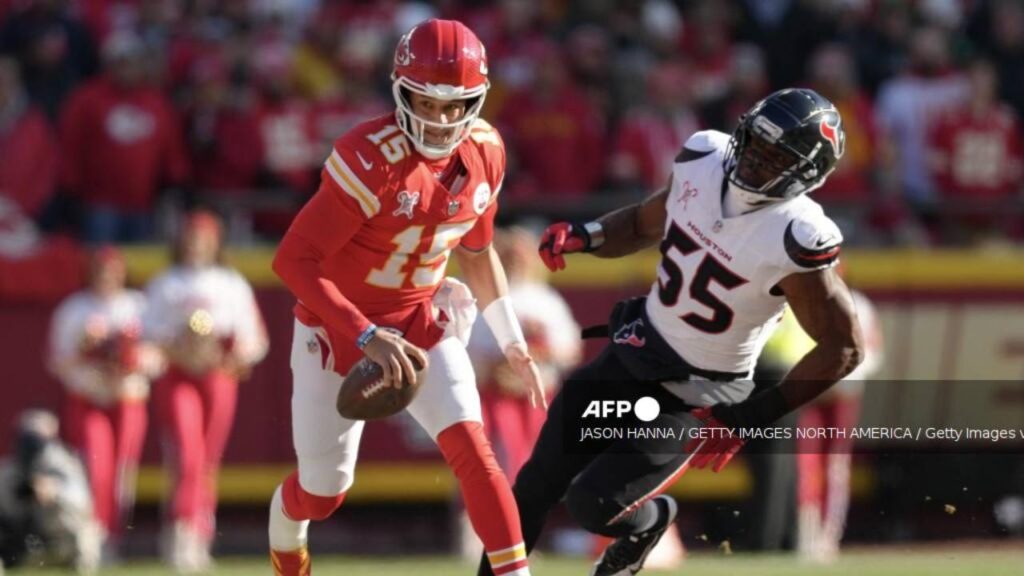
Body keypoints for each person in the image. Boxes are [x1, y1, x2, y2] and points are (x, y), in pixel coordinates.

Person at [479, 88, 865, 576]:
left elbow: (843, 347)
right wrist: (590, 235)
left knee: (592, 504)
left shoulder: (797, 235)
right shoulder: (705, 155)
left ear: (803, 176)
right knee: (532, 487)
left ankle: (652, 522)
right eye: (755, 144)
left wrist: (751, 416)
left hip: (696, 392)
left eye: (774, 158)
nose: (754, 162)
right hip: (634, 354)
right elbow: (644, 223)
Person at [268, 19, 545, 576]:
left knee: (475, 450)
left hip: (420, 320)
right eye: (427, 101)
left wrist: (511, 339)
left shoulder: (486, 150)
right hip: (338, 329)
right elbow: (292, 261)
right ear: (400, 90)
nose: (441, 120)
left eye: (455, 105)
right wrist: (366, 336)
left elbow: (478, 250)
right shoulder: (369, 158)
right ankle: (285, 542)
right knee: (324, 490)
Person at [145, 210, 268, 573]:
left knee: (207, 458)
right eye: (191, 236)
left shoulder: (230, 283)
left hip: (217, 376)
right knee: (186, 451)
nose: (196, 244)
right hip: (178, 375)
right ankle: (180, 531)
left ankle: (201, 530)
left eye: (203, 237)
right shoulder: (166, 283)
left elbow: (254, 338)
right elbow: (149, 333)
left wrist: (229, 355)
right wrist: (179, 345)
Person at [47, 246, 158, 563]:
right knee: (94, 467)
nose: (106, 278)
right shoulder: (75, 309)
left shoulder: (139, 306)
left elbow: (157, 355)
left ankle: (113, 536)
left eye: (112, 271)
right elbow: (57, 360)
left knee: (122, 472)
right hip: (89, 398)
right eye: (100, 271)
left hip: (128, 397)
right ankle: (91, 535)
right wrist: (88, 354)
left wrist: (130, 360)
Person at [0, 410, 100, 574]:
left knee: (85, 534)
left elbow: (84, 503)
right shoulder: (9, 470)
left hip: (60, 540)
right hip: (24, 542)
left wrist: (55, 491)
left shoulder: (64, 464)